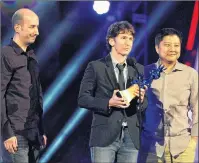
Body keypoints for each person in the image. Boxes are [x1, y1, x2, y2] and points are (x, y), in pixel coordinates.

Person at [78, 21, 148, 163]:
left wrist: (141, 99)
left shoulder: (138, 68)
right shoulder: (96, 66)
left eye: (130, 39)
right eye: (123, 37)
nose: (128, 42)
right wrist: (108, 102)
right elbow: (83, 99)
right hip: (104, 135)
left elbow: (144, 105)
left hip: (131, 136)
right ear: (111, 41)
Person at [141, 28, 198, 163]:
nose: (172, 49)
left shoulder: (190, 74)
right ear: (157, 48)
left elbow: (197, 108)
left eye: (176, 45)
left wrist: (194, 140)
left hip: (182, 147)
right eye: (167, 45)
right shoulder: (145, 72)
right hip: (152, 147)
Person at [1, 8, 47, 163]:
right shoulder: (6, 55)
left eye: (37, 27)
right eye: (32, 27)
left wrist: (40, 130)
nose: (37, 32)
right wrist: (7, 133)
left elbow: (36, 95)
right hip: (15, 133)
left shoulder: (31, 56)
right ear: (17, 28)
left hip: (33, 133)